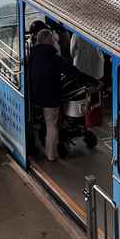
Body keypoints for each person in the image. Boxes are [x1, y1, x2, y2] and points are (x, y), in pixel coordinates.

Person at [27, 29, 76, 161]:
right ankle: (51, 154)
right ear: (49, 41)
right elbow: (69, 70)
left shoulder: (33, 55)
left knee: (43, 123)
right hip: (50, 96)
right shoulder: (52, 57)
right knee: (52, 125)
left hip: (35, 95)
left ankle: (47, 148)